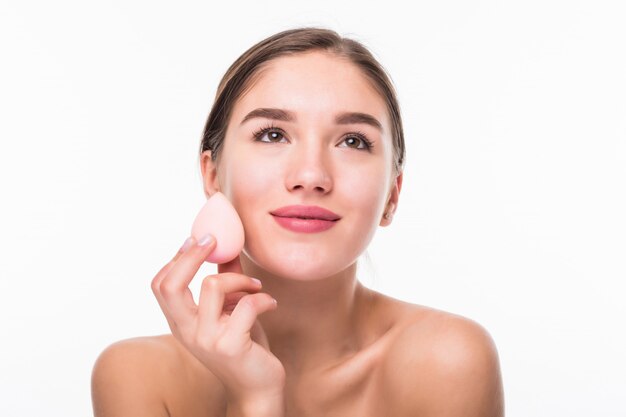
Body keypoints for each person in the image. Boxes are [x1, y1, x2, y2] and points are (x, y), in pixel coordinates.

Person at [91, 27, 504, 417]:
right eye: (273, 134)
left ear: (392, 195)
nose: (311, 176)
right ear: (212, 175)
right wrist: (255, 399)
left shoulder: (450, 361)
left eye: (353, 141)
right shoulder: (138, 377)